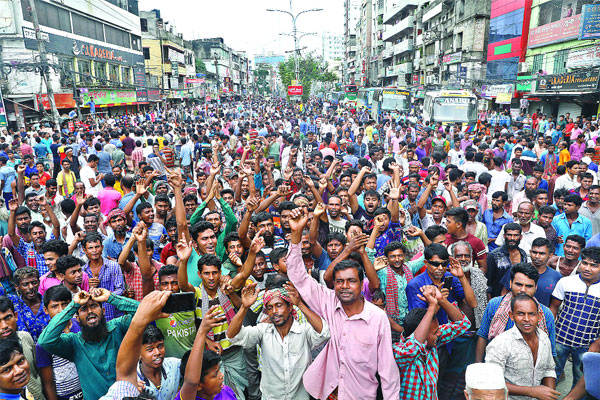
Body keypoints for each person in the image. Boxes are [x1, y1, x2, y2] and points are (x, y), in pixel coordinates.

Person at [286, 207, 401, 399]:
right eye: (339, 282)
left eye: (351, 281)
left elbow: (387, 370)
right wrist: (296, 235)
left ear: (361, 284)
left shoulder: (377, 317)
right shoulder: (329, 302)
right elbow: (299, 278)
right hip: (327, 392)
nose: (344, 286)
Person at [226, 281, 330, 400]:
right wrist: (244, 307)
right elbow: (233, 336)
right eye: (270, 308)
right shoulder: (263, 331)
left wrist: (300, 304)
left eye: (279, 305)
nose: (274, 311)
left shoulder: (303, 331)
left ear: (290, 307)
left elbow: (324, 333)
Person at [38, 288, 139, 400]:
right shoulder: (74, 342)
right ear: (77, 318)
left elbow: (144, 312)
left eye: (94, 306)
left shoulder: (118, 327)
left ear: (103, 311)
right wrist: (74, 305)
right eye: (83, 309)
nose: (90, 311)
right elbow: (45, 341)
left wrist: (110, 297)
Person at [393, 285, 470, 399]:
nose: (439, 334)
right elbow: (414, 348)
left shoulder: (433, 340)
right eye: (434, 332)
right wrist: (432, 307)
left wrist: (441, 300)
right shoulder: (398, 350)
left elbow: (463, 324)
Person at [476, 262, 556, 363]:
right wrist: (478, 365)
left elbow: (551, 352)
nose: (523, 290)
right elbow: (483, 335)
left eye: (528, 286)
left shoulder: (545, 314)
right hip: (496, 364)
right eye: (518, 284)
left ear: (536, 288)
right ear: (510, 284)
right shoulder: (495, 304)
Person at [485, 293, 558, 400]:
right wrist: (531, 391)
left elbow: (549, 369)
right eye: (520, 314)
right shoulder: (500, 344)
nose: (527, 319)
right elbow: (492, 382)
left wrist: (550, 395)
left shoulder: (544, 338)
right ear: (511, 316)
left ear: (539, 316)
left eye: (532, 314)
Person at [550, 246, 600, 389]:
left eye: (594, 265)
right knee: (552, 373)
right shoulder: (566, 282)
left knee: (581, 379)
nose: (587, 268)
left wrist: (596, 344)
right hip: (560, 338)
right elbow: (553, 307)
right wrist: (550, 333)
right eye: (584, 263)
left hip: (587, 344)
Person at [35, 285, 83, 400]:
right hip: (65, 396)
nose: (61, 310)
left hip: (87, 390)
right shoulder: (44, 342)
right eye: (55, 306)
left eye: (65, 304)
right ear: (46, 310)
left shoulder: (80, 326)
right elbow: (48, 383)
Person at [0, 296, 44, 400]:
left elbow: (38, 370)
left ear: (15, 316)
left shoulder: (25, 338)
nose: (4, 325)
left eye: (7, 317)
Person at [486, 223, 529, 298]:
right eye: (509, 235)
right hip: (498, 297)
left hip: (518, 297)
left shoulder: (523, 254)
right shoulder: (494, 255)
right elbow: (489, 282)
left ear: (521, 237)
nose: (512, 238)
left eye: (516, 235)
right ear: (504, 236)